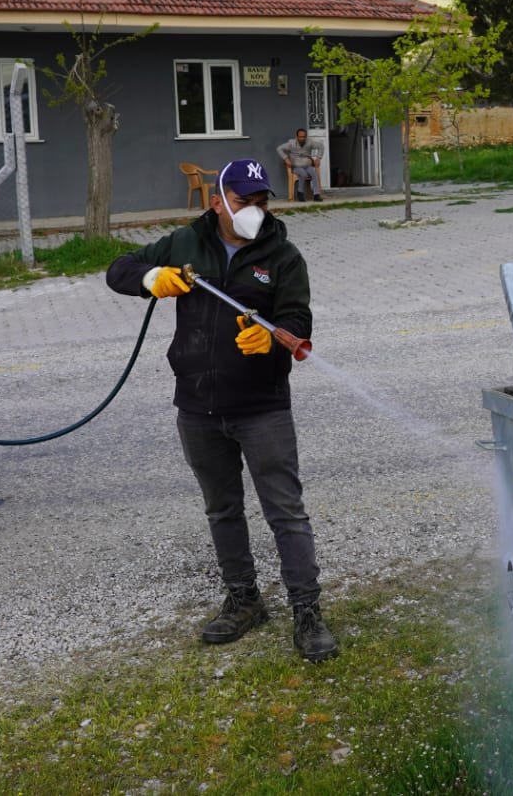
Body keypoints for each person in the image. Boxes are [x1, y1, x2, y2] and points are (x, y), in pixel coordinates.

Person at [106, 158, 337, 663]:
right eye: (243, 201)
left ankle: (307, 610)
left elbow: (297, 315)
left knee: (287, 512)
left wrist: (273, 339)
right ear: (219, 201)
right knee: (222, 508)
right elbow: (117, 270)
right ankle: (244, 598)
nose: (253, 210)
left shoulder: (284, 256)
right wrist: (151, 278)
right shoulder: (187, 244)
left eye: (260, 201)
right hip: (198, 406)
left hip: (262, 407)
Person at [276, 128, 324, 201]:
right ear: (297, 136)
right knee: (303, 173)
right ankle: (300, 192)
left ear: (306, 136)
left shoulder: (310, 142)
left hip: (308, 166)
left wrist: (319, 158)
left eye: (304, 136)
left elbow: (321, 146)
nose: (302, 138)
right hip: (296, 166)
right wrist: (286, 159)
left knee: (314, 173)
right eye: (300, 136)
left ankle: (316, 195)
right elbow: (279, 148)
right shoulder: (291, 143)